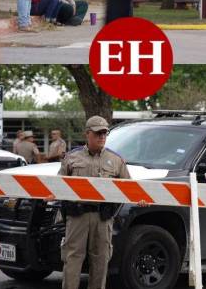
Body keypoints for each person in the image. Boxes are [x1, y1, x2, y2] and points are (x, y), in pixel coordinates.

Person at [57, 116, 146, 289]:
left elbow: (129, 187)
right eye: (98, 133)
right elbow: (59, 184)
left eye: (105, 133)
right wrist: (50, 193)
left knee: (101, 259)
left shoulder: (116, 160)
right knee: (72, 258)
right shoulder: (71, 157)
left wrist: (139, 197)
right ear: (87, 134)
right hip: (77, 216)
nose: (102, 137)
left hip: (103, 217)